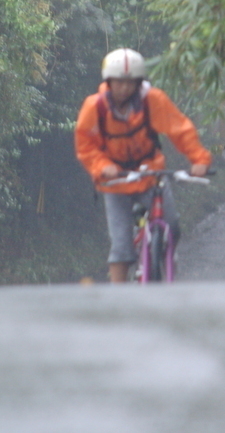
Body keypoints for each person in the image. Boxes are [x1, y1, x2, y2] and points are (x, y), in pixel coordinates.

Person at [75, 48, 212, 282]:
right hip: (116, 182)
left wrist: (199, 159)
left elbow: (180, 130)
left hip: (150, 176)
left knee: (172, 226)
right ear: (109, 81)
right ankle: (117, 301)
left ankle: (167, 258)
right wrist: (103, 166)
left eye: (130, 83)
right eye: (119, 82)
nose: (124, 88)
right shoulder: (94, 107)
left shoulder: (153, 100)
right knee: (121, 249)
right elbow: (86, 146)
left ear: (139, 82)